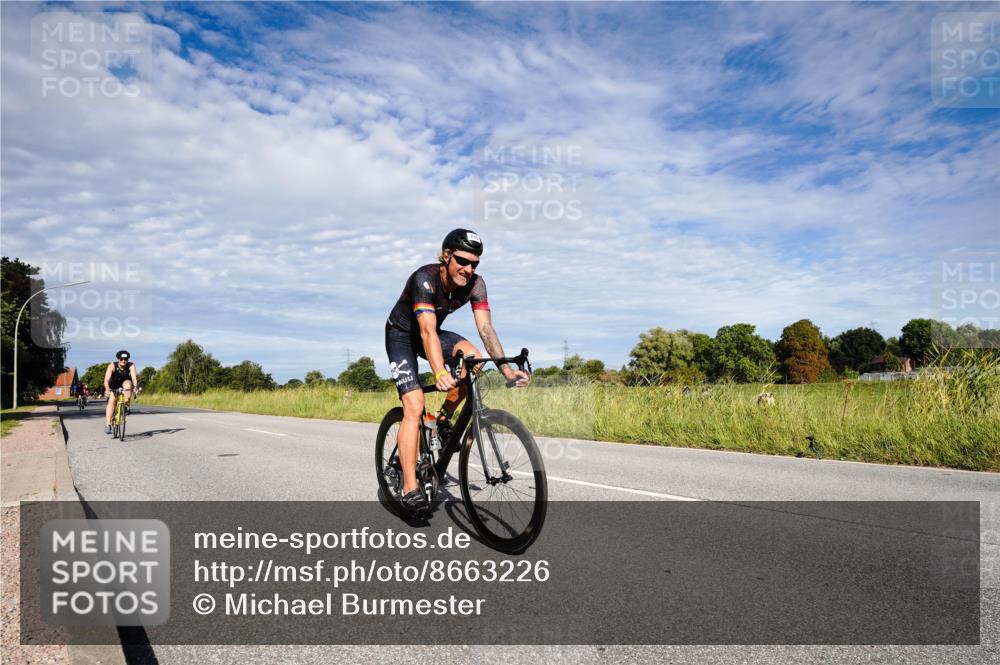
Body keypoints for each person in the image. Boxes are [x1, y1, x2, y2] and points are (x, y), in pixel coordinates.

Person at [385, 229, 529, 515]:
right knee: (414, 405)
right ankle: (410, 487)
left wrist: (508, 371)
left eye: (474, 263)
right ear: (446, 256)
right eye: (462, 261)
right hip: (402, 335)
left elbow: (486, 329)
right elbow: (426, 331)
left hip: (433, 334)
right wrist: (439, 372)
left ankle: (443, 418)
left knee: (475, 359)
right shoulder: (424, 279)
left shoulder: (476, 285)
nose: (468, 269)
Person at [104, 350, 139, 435]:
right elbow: (106, 380)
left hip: (125, 382)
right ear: (118, 359)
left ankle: (126, 406)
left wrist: (135, 387)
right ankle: (108, 425)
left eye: (125, 359)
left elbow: (134, 378)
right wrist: (107, 389)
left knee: (128, 385)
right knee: (112, 402)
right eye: (121, 359)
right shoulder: (112, 366)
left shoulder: (131, 365)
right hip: (114, 384)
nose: (123, 361)